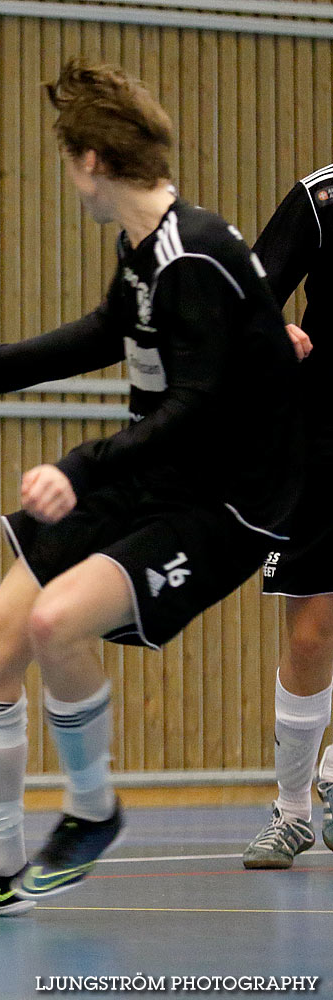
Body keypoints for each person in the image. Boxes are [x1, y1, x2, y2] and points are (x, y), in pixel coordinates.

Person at [0, 58, 301, 918]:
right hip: (158, 473)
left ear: (90, 162)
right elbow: (107, 333)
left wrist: (77, 469)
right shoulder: (144, 248)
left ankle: (92, 807)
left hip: (223, 501)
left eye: (65, 159)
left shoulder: (195, 257)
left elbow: (196, 407)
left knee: (53, 623)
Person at [241, 162, 333, 869]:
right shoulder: (320, 196)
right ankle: (294, 811)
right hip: (317, 437)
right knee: (310, 633)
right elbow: (247, 296)